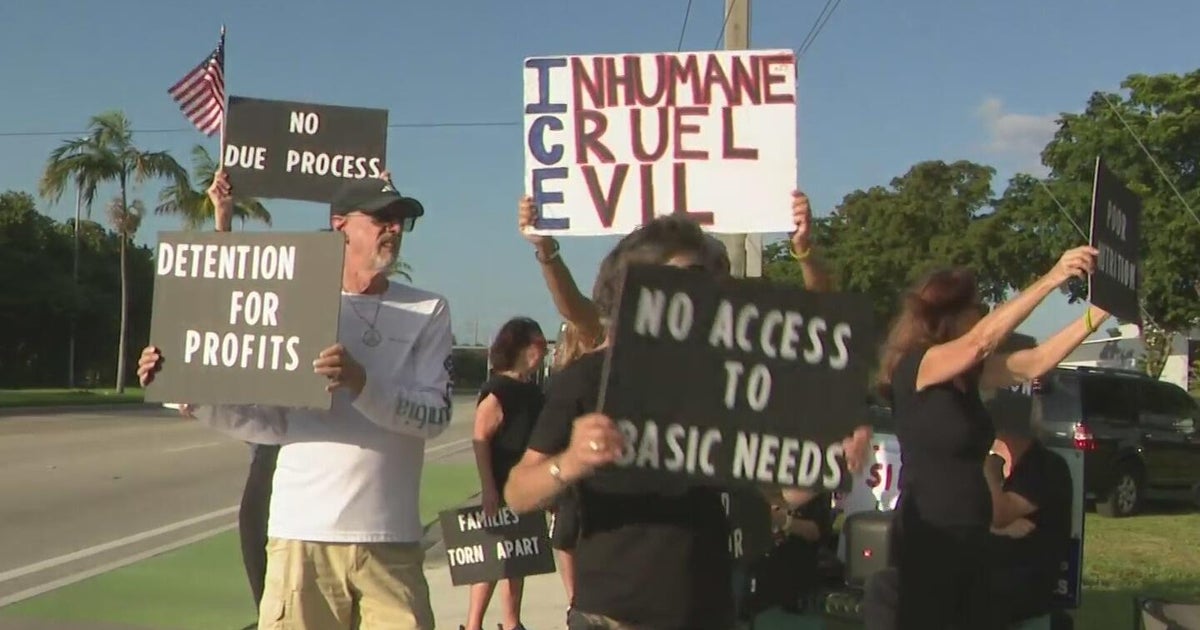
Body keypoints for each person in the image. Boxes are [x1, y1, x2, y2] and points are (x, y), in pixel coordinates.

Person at [504, 209, 871, 630]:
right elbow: (518, 492)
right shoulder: (589, 379)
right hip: (613, 618)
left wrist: (829, 455)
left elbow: (778, 493)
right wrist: (569, 462)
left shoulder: (723, 384)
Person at [138, 173, 453, 630]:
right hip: (301, 537)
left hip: (391, 542)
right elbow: (270, 423)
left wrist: (361, 383)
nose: (395, 229)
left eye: (402, 221)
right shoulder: (293, 301)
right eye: (383, 218)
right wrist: (188, 391)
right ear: (340, 224)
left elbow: (435, 417)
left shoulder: (428, 310)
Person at [874, 247, 1108, 630]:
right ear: (948, 316)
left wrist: (1096, 315)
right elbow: (980, 342)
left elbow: (1034, 362)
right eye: (975, 310)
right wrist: (1053, 277)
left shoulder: (969, 377)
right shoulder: (918, 365)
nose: (981, 317)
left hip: (973, 540)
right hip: (931, 539)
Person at [463, 317, 550, 630]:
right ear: (522, 348)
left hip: (526, 486)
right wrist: (488, 488)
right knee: (489, 559)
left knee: (519, 558)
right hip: (500, 484)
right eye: (539, 345)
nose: (543, 352)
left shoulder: (533, 391)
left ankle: (512, 623)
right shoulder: (498, 390)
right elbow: (480, 438)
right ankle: (474, 625)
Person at [985, 416, 1073, 628]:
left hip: (1024, 595)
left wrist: (989, 471)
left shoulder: (1045, 467)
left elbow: (999, 514)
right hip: (986, 594)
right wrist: (996, 530)